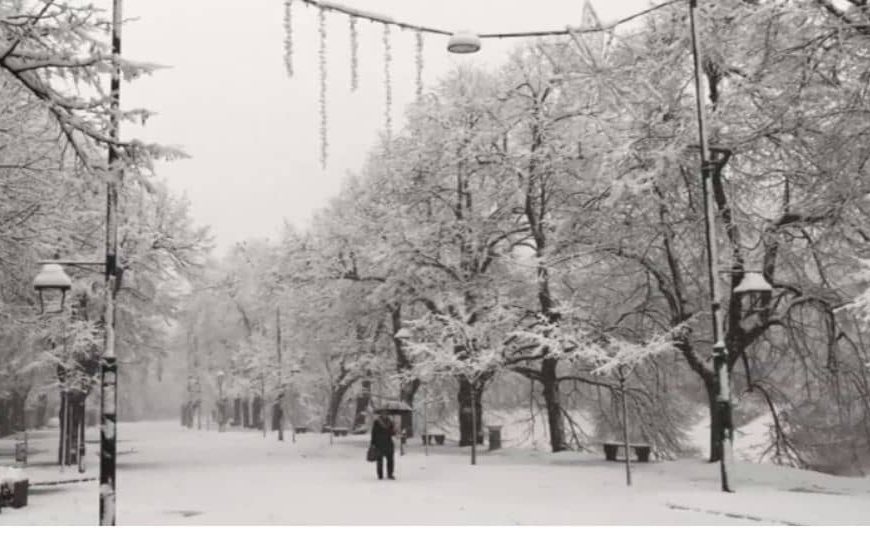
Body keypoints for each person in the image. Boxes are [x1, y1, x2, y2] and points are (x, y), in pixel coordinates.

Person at [370, 412, 396, 480]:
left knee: (390, 459)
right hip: (379, 443)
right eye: (384, 413)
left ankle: (390, 474)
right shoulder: (377, 422)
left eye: (386, 414)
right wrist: (373, 443)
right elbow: (374, 433)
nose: (385, 415)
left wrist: (393, 429)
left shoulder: (390, 422)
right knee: (379, 460)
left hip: (388, 443)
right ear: (381, 415)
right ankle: (380, 475)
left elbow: (392, 433)